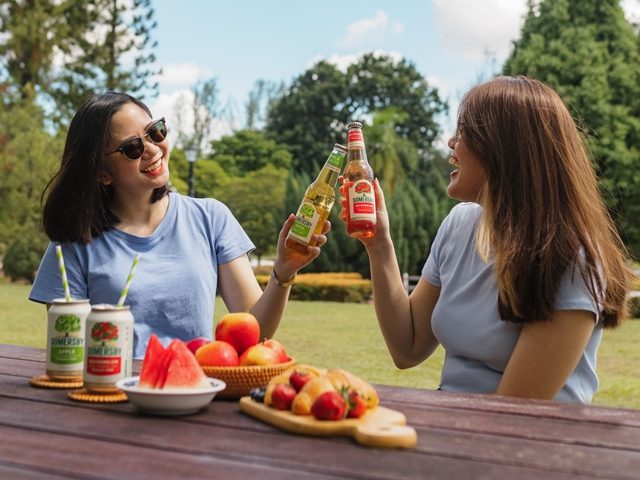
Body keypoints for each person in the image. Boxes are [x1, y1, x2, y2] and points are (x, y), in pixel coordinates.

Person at [340, 76, 633, 403]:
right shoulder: (459, 225)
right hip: (460, 425)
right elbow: (407, 347)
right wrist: (379, 244)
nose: (452, 143)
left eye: (463, 131)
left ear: (503, 150)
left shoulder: (572, 259)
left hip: (528, 443)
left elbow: (514, 411)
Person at [30, 92, 329, 358]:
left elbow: (256, 332)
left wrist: (284, 271)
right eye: (132, 148)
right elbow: (69, 352)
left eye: (154, 132)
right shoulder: (72, 241)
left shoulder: (211, 218)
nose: (152, 149)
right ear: (102, 173)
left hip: (193, 394)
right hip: (110, 399)